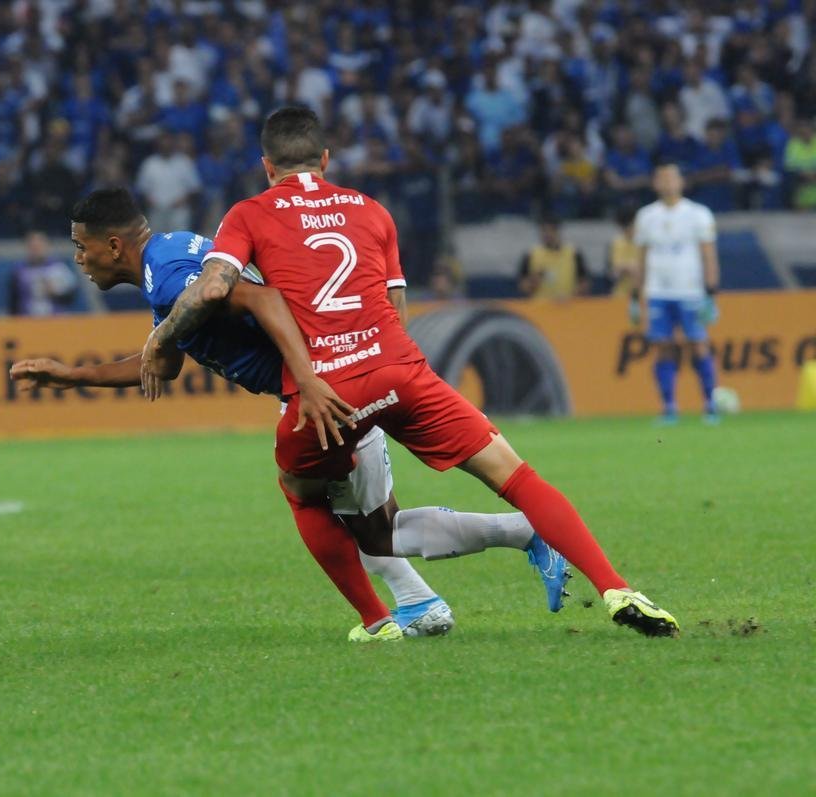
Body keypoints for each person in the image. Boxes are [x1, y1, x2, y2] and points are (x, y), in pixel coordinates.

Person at [143, 106, 679, 639]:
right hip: (400, 368)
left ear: (267, 166)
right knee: (516, 475)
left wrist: (159, 338)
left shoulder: (248, 214)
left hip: (326, 387)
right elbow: (396, 309)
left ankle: (377, 622)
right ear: (326, 159)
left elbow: (213, 289)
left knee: (300, 490)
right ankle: (617, 589)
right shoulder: (373, 210)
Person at [9, 188, 570, 639]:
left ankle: (501, 547)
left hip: (325, 392)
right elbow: (165, 361)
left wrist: (306, 379)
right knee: (374, 529)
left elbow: (260, 299)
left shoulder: (171, 271)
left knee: (368, 528)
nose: (78, 260)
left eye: (81, 247)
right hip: (324, 385)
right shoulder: (169, 263)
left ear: (113, 244)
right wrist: (70, 375)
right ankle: (426, 600)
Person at [630, 162, 722, 424]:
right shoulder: (646, 216)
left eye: (672, 177)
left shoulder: (698, 214)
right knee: (662, 348)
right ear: (655, 183)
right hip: (658, 291)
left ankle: (709, 404)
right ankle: (669, 406)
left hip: (690, 291)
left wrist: (711, 293)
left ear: (681, 182)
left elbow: (708, 255)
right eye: (662, 178)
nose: (667, 183)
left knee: (698, 344)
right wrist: (637, 297)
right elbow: (641, 258)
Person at [6, 230, 81, 316]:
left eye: (39, 245)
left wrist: (56, 293)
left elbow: (71, 297)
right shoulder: (19, 270)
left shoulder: (58, 267)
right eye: (33, 246)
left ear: (46, 245)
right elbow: (13, 300)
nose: (36, 249)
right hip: (27, 320)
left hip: (54, 320)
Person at [516, 215, 590, 300]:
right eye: (544, 231)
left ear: (558, 231)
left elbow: (584, 283)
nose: (547, 234)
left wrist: (571, 297)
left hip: (568, 307)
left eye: (551, 230)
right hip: (540, 307)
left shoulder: (574, 253)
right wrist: (534, 281)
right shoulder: (530, 255)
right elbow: (523, 288)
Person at [606, 204, 640, 298]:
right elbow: (613, 272)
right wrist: (629, 267)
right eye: (624, 227)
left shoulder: (645, 242)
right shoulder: (615, 243)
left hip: (643, 293)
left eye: (631, 225)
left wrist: (625, 267)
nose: (628, 230)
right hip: (621, 295)